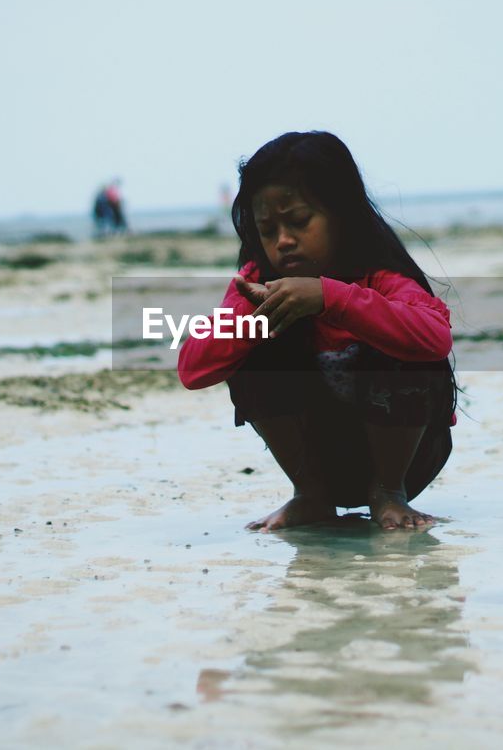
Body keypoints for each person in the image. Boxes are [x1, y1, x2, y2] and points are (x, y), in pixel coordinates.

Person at [177, 131, 457, 532]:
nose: (284, 241)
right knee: (257, 349)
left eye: (298, 221)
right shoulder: (257, 283)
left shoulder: (380, 276)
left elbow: (436, 339)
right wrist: (255, 322)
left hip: (409, 460)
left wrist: (331, 298)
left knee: (403, 341)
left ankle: (387, 493)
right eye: (268, 230)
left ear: (341, 216)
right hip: (322, 463)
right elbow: (192, 369)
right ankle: (310, 496)